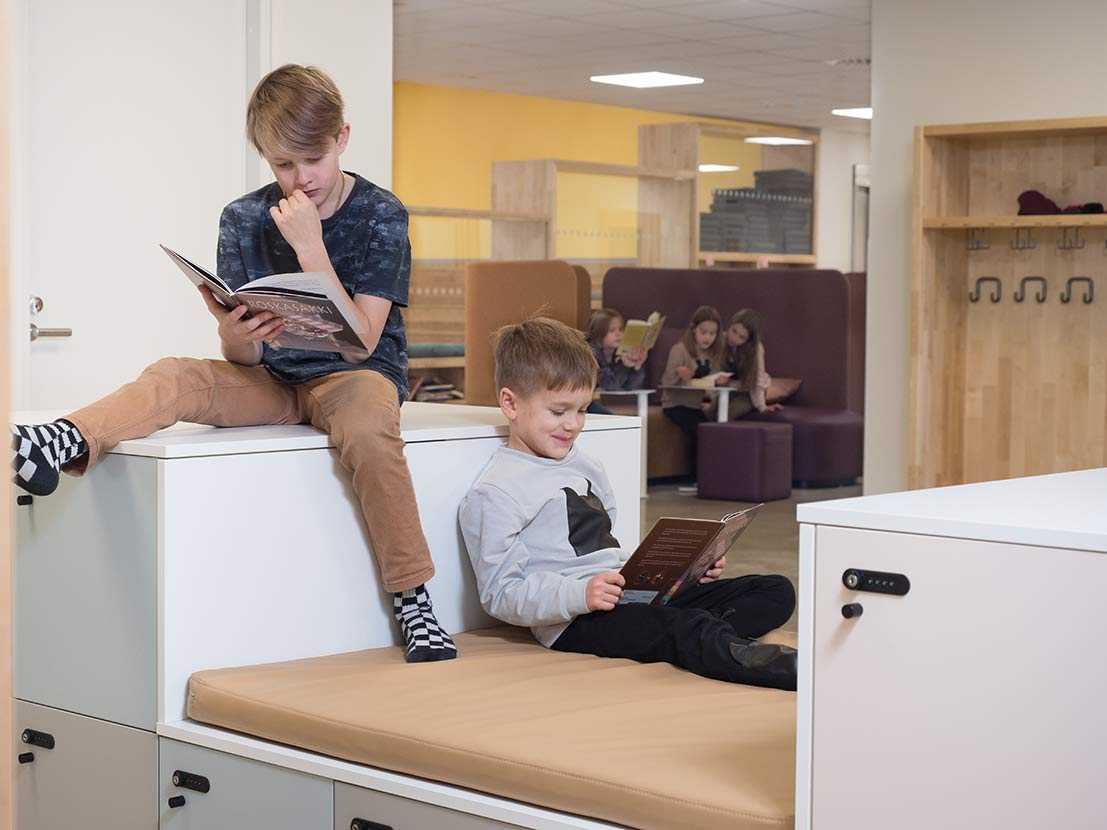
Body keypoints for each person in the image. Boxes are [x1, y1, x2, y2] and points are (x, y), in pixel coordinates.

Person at [9, 64, 456, 664]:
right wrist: (235, 332)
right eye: (281, 165)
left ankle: (412, 597)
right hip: (271, 377)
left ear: (342, 139)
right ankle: (63, 438)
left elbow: (364, 340)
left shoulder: (382, 214)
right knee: (175, 374)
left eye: (311, 161)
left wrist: (310, 246)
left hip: (355, 376)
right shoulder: (242, 217)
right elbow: (241, 357)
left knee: (372, 429)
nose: (300, 180)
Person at [457, 317, 797, 690]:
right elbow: (500, 594)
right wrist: (580, 594)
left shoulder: (586, 465)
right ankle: (757, 660)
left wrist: (688, 570)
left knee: (775, 591)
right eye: (558, 411)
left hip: (627, 591)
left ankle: (708, 635)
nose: (572, 425)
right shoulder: (496, 492)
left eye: (582, 410)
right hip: (576, 619)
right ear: (510, 403)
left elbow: (608, 548)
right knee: (686, 626)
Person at [660, 305, 731, 475]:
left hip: (694, 406)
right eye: (703, 332)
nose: (708, 338)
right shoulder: (679, 349)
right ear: (694, 329)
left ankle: (711, 476)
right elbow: (666, 382)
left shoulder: (713, 353)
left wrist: (718, 382)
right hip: (675, 404)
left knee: (713, 431)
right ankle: (698, 476)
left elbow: (709, 385)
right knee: (700, 432)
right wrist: (681, 376)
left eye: (712, 334)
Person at [723, 309, 782, 418]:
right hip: (729, 389)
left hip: (750, 392)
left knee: (726, 414)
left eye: (742, 337)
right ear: (730, 325)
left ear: (749, 340)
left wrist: (762, 407)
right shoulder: (721, 340)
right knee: (709, 413)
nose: (734, 338)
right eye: (734, 331)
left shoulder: (756, 349)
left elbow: (758, 379)